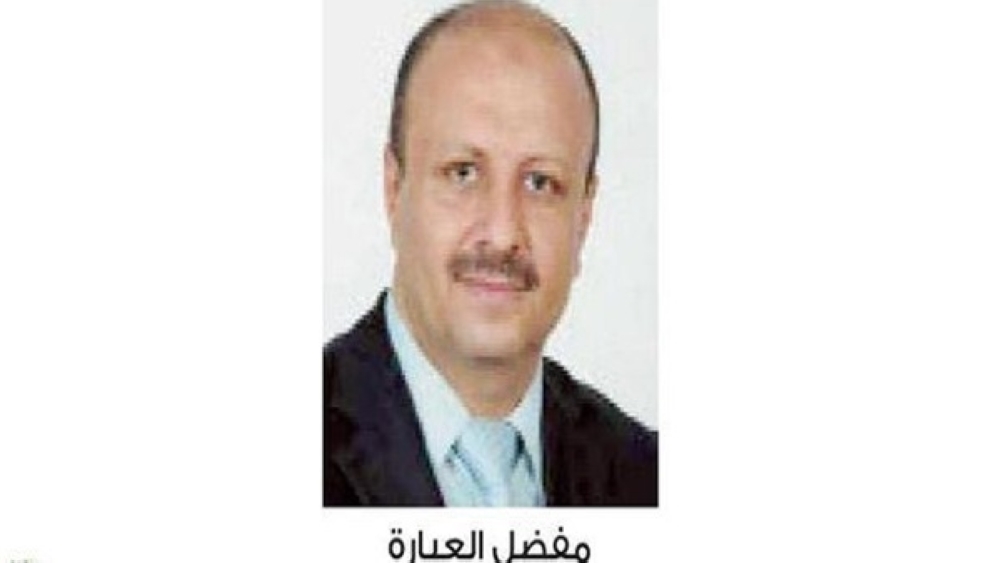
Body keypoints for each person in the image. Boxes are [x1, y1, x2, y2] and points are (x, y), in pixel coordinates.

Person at [324, 0, 657, 507]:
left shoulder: (647, 478)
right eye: (463, 173)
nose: (502, 234)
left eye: (540, 182)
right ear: (394, 187)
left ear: (584, 217)